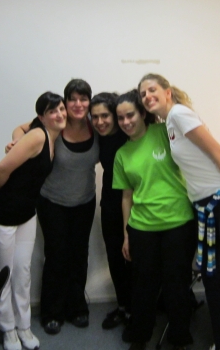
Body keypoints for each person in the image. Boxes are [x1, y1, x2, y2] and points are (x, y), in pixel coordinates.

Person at [138, 73, 220, 350]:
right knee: (211, 281)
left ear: (167, 92)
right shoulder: (169, 123)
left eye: (152, 90)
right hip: (205, 208)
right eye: (143, 94)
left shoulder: (179, 114)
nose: (147, 96)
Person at [9, 79, 99, 335]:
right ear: (65, 102)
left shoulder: (95, 124)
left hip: (85, 201)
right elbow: (19, 128)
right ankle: (52, 311)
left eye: (83, 99)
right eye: (73, 99)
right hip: (52, 202)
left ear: (89, 102)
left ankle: (77, 307)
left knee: (79, 255)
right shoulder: (56, 123)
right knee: (56, 256)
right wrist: (17, 143)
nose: (78, 104)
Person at [113, 90, 196, 350]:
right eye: (120, 118)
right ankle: (139, 337)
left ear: (142, 113)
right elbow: (126, 197)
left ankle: (179, 338)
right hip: (142, 227)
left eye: (130, 115)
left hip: (179, 223)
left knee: (177, 285)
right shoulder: (121, 154)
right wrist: (126, 234)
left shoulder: (164, 132)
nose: (126, 122)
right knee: (143, 286)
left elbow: (189, 121)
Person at [0, 91, 66, 350]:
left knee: (22, 272)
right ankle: (7, 329)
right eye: (52, 111)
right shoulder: (38, 136)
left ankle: (24, 325)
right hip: (4, 214)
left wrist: (16, 138)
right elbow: (1, 169)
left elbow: (19, 127)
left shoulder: (53, 134)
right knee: (4, 273)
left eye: (61, 108)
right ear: (42, 117)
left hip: (27, 214)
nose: (60, 114)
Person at [90, 92, 131, 329]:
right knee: (115, 259)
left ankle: (138, 311)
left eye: (105, 115)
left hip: (135, 204)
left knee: (134, 259)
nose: (100, 122)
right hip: (109, 203)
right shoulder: (99, 135)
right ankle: (124, 306)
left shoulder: (130, 133)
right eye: (95, 117)